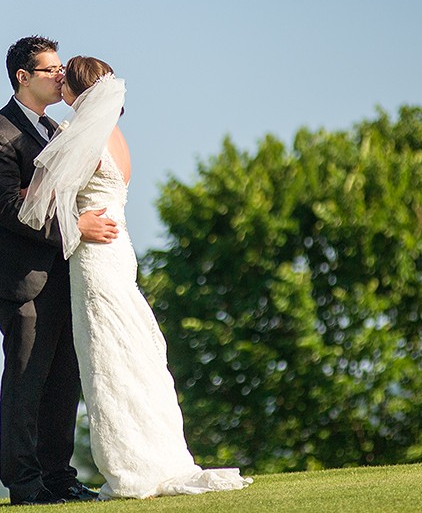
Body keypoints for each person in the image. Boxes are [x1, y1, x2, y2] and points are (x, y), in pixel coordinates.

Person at [20, 56, 253, 500]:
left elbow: (40, 203)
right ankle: (156, 453)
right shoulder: (118, 138)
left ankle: (131, 465)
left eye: (63, 80)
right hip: (120, 252)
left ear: (76, 92)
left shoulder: (76, 136)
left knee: (106, 358)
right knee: (132, 353)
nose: (58, 85)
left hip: (94, 257)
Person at [0, 36, 118, 505]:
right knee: (26, 379)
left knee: (63, 379)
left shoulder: (55, 129)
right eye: (50, 69)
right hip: (20, 277)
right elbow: (9, 206)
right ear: (22, 77)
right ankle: (26, 487)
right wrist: (77, 227)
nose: (60, 75)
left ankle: (59, 478)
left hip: (65, 272)